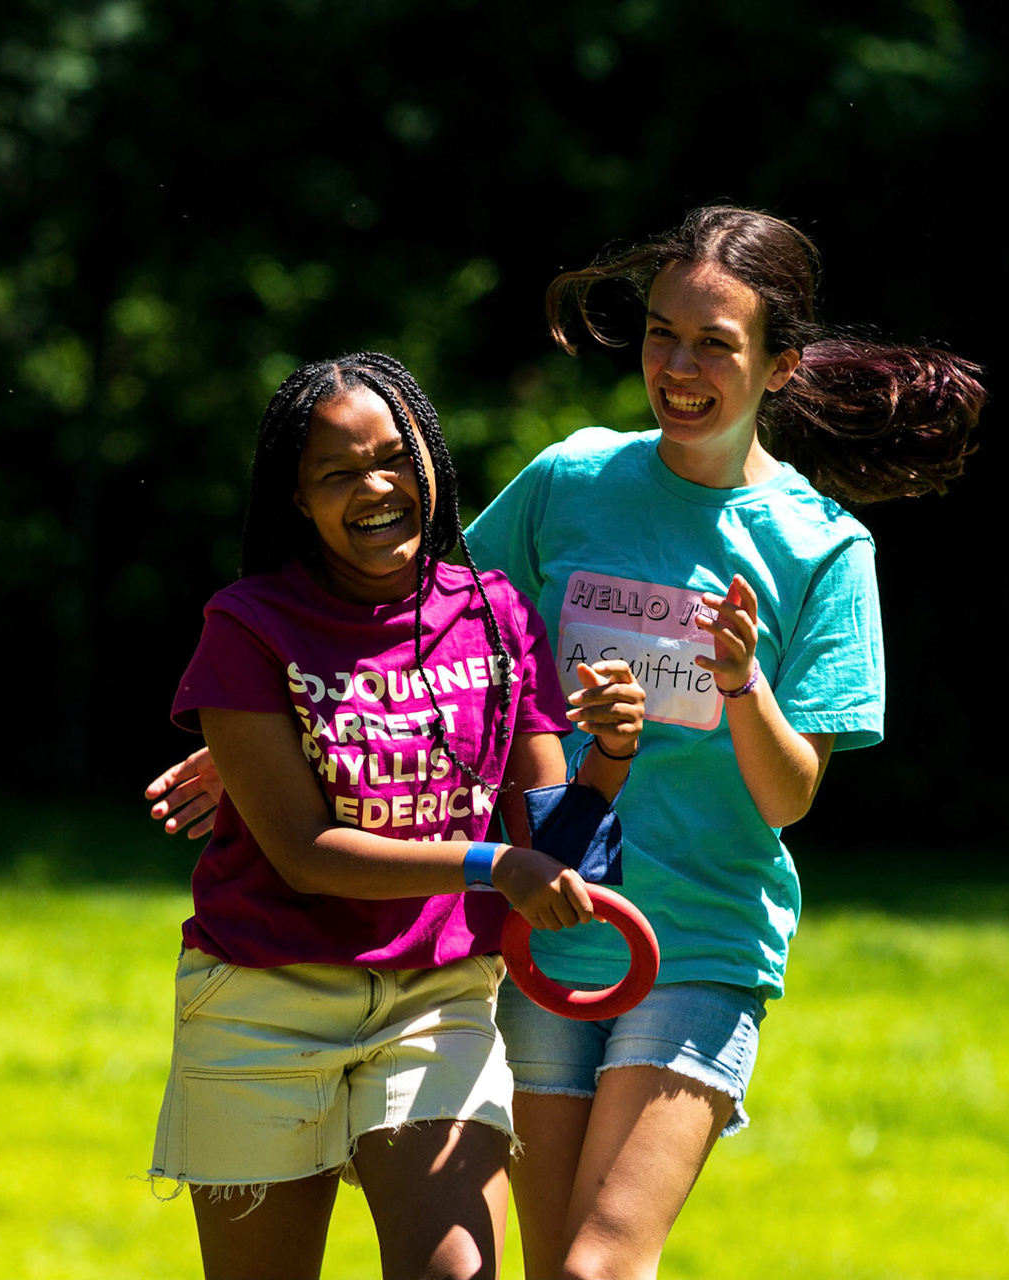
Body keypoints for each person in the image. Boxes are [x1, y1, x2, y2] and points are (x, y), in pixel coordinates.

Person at [147, 208, 984, 1279]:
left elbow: (789, 796)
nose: (677, 367)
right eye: (660, 334)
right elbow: (415, 615)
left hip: (699, 939)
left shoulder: (824, 548)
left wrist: (741, 685)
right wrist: (269, 732)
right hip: (541, 937)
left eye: (714, 343)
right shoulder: (570, 481)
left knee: (597, 1266)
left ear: (778, 366)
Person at [151, 351, 648, 1280]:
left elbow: (556, 849)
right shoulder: (250, 625)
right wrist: (489, 867)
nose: (375, 488)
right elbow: (303, 853)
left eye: (394, 459)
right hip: (264, 999)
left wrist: (612, 756)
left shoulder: (498, 617)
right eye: (338, 474)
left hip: (436, 999)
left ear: (431, 462)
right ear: (298, 501)